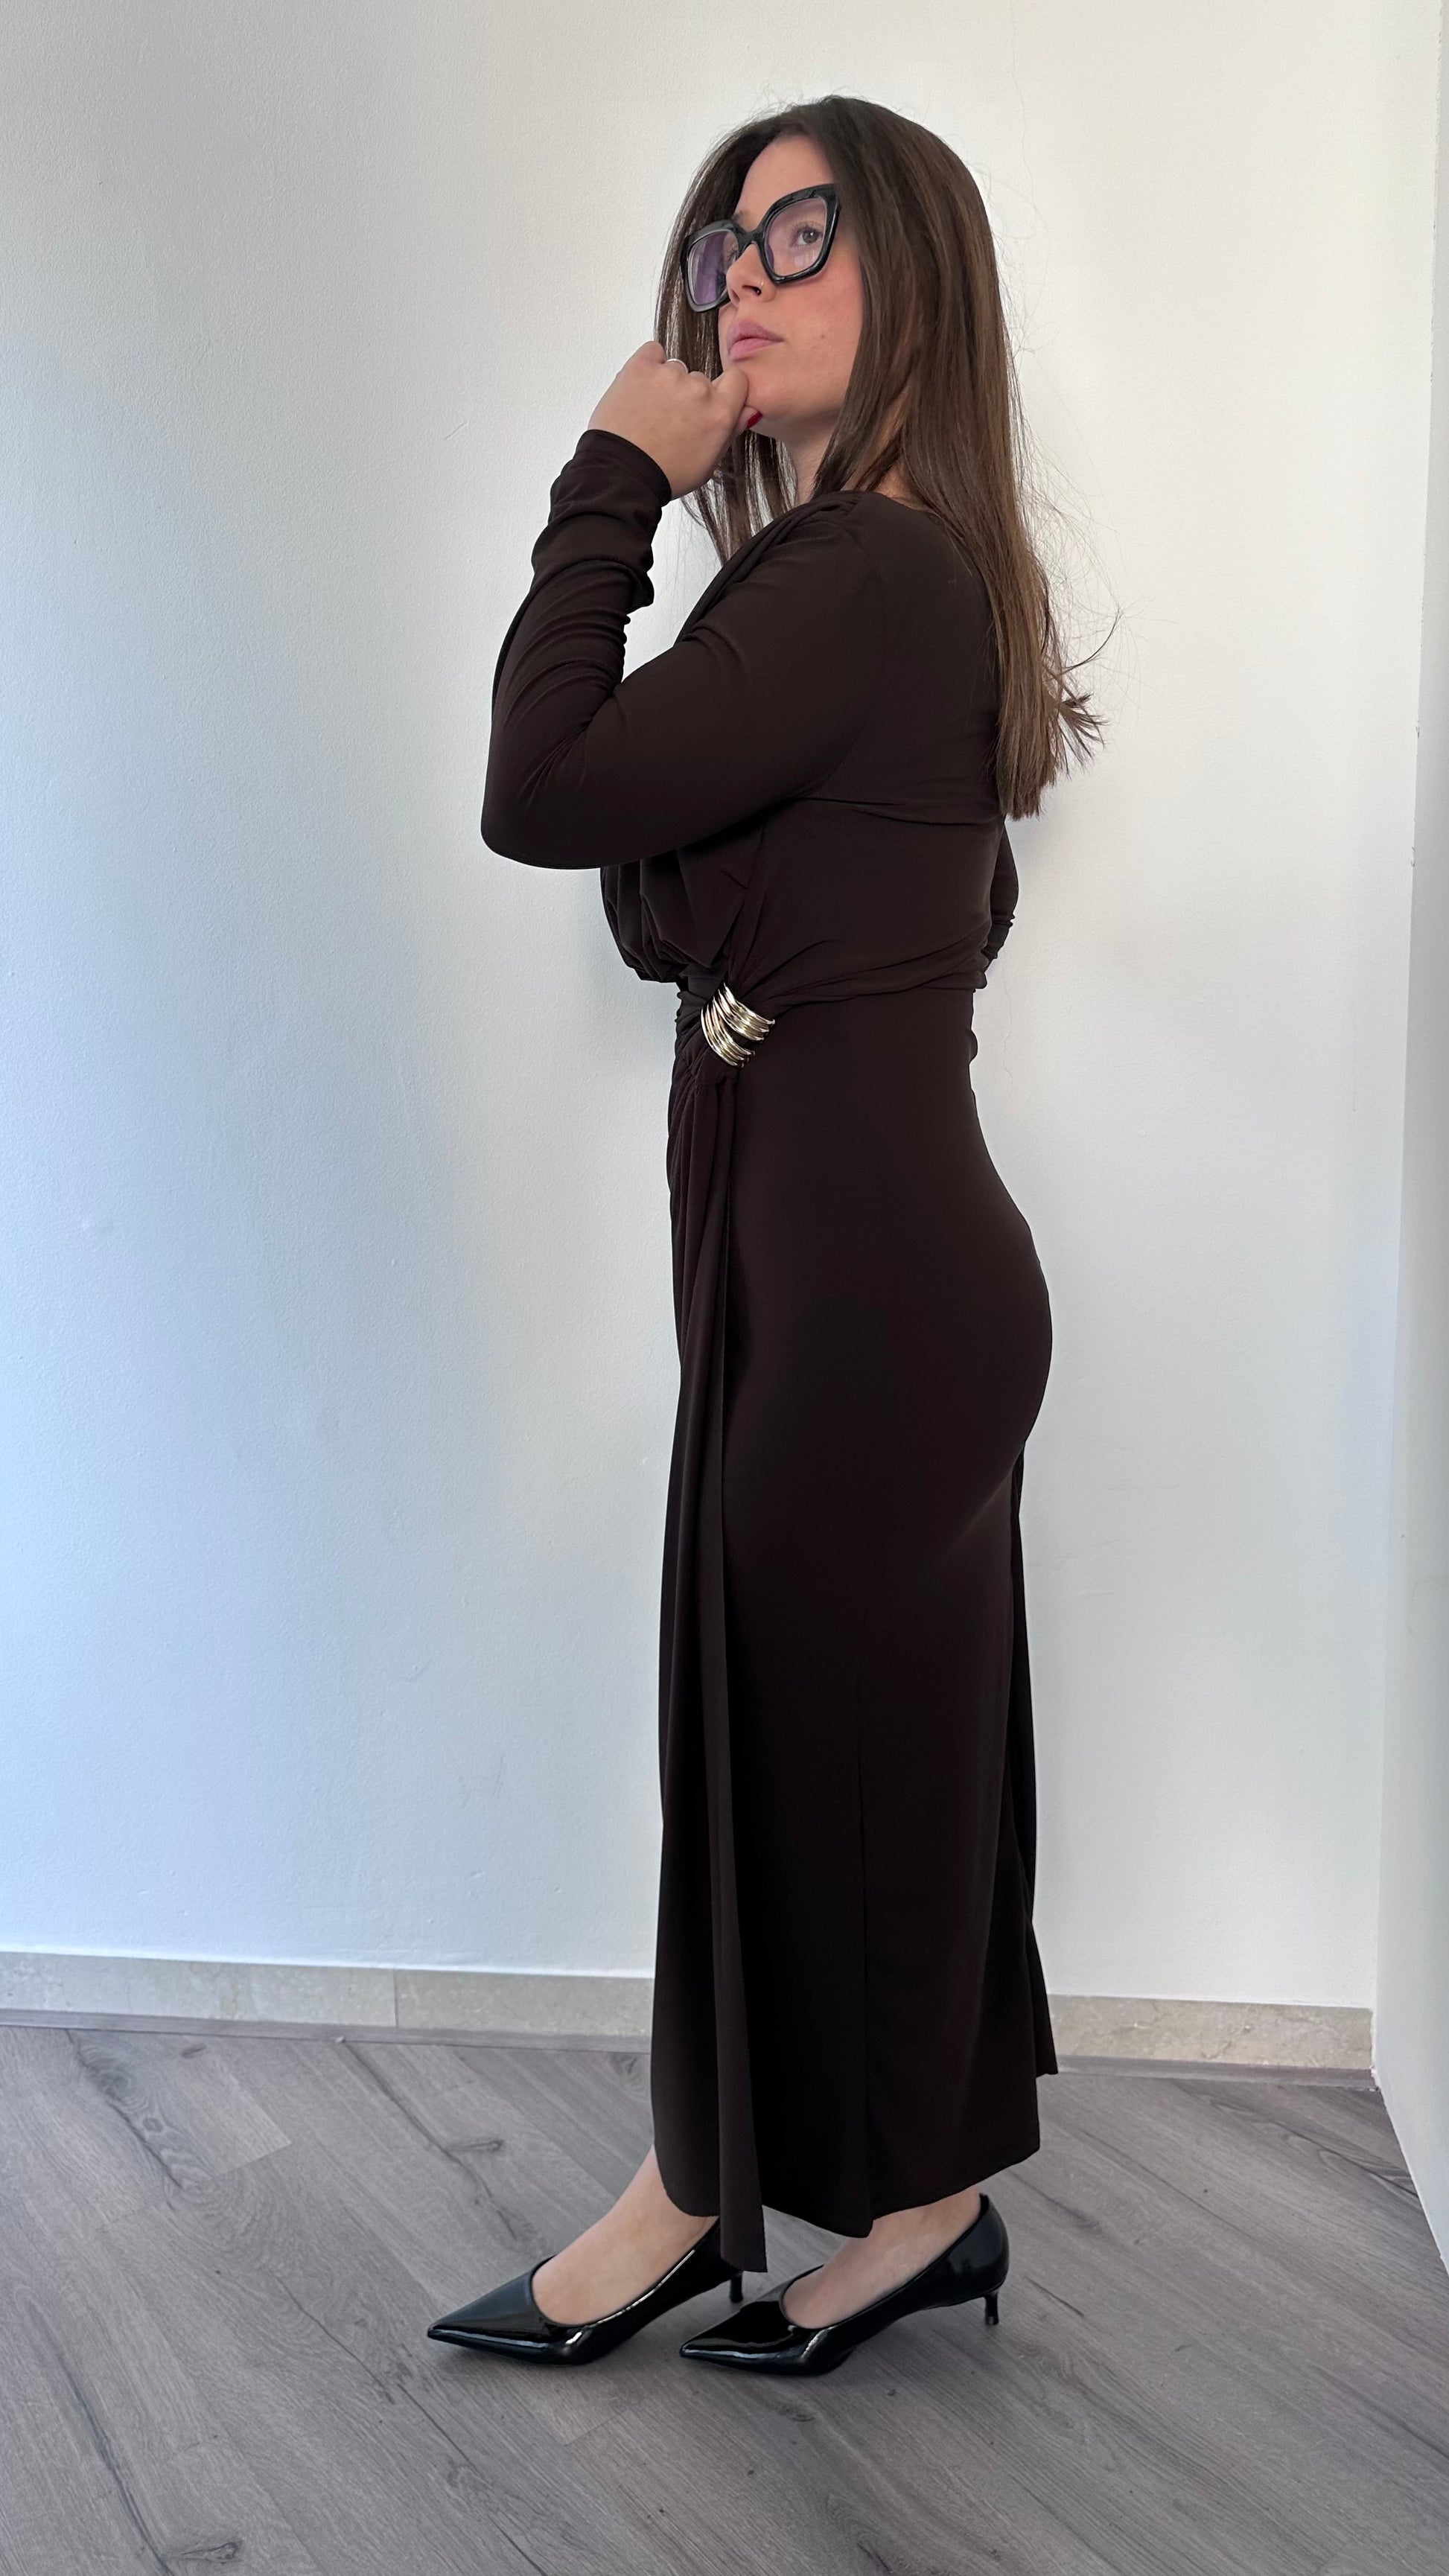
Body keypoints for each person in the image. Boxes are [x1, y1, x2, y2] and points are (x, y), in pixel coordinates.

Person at [428, 92, 1101, 2378]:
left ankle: (690, 2198)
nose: (740, 276)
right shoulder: (864, 585)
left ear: (917, 268)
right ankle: (920, 2202)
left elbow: (546, 792)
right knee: (868, 1745)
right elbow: (695, 886)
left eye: (800, 231)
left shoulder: (862, 578)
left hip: (868, 1279)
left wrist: (608, 473)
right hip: (847, 1259)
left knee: (800, 1745)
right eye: (723, 240)